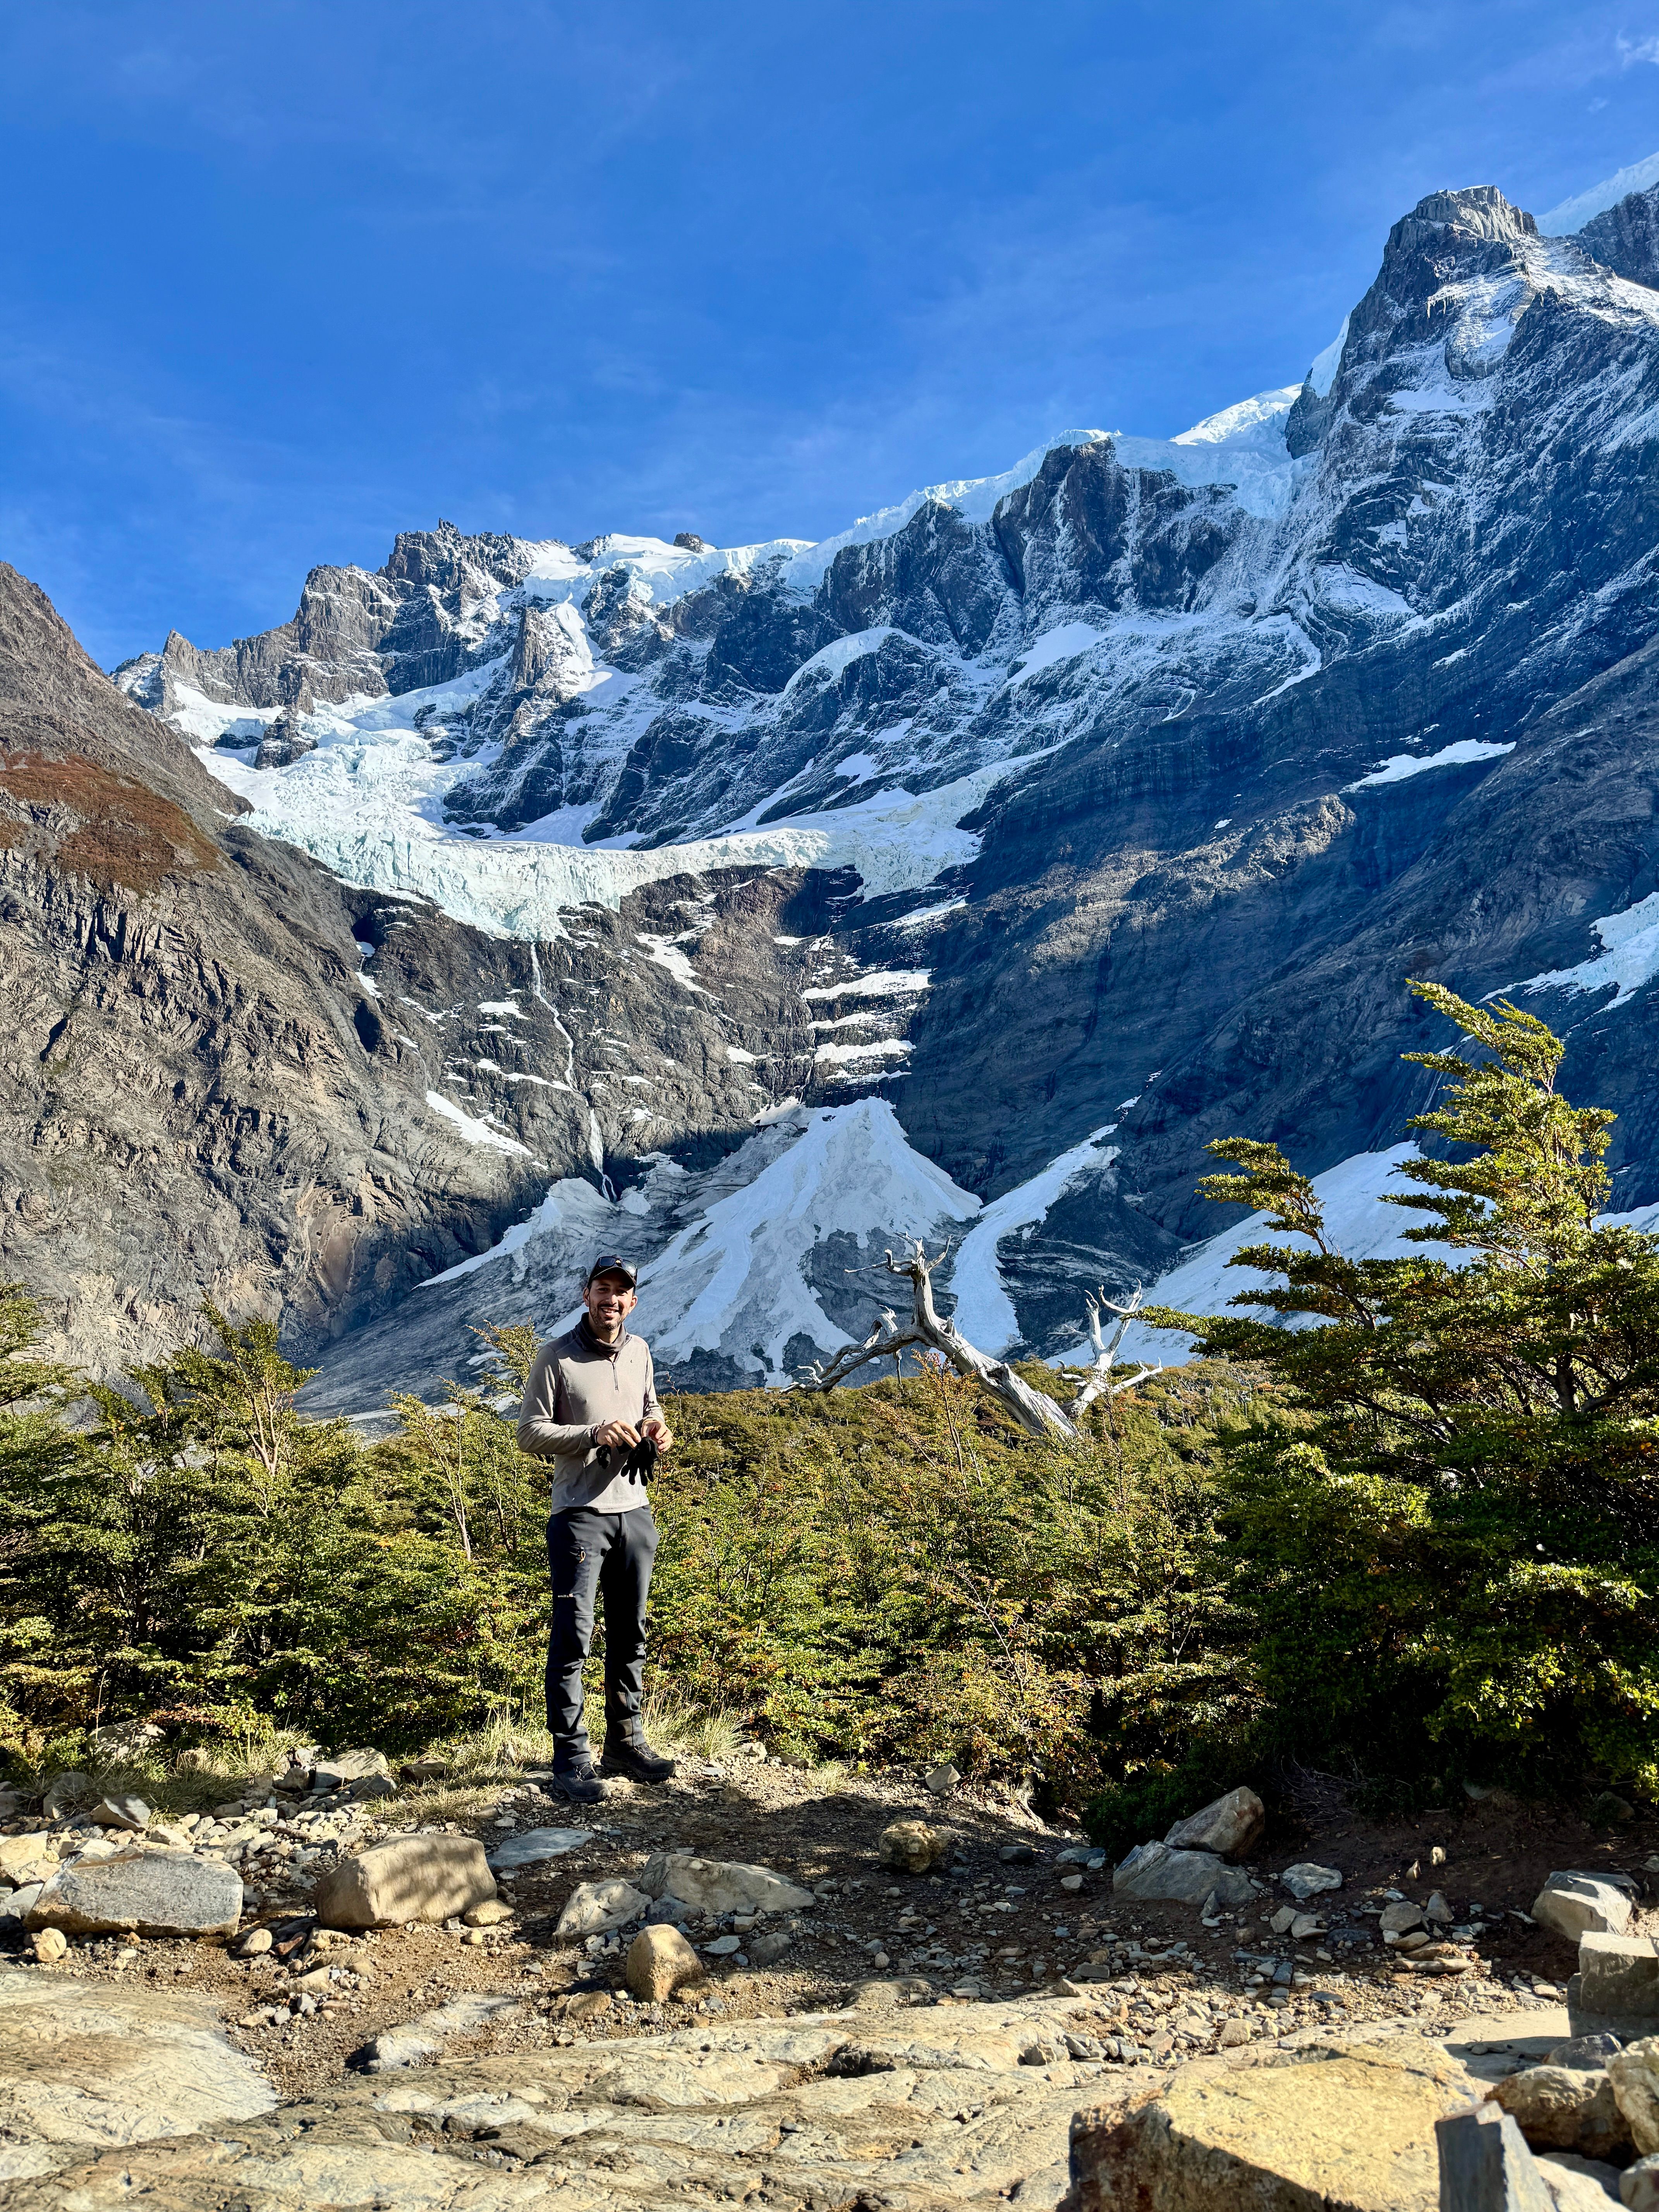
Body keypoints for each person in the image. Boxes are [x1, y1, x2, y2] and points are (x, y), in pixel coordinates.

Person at [517, 1254, 677, 1804]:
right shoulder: (556, 1358)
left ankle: (625, 1744)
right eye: (602, 1289)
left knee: (632, 1634)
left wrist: (659, 1427)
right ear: (586, 1295)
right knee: (574, 1639)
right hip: (580, 1516)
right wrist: (592, 1433)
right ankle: (572, 1759)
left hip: (636, 1510)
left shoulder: (639, 1351)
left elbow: (650, 1405)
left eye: (621, 1292)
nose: (612, 1299)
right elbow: (531, 1433)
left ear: (633, 1302)